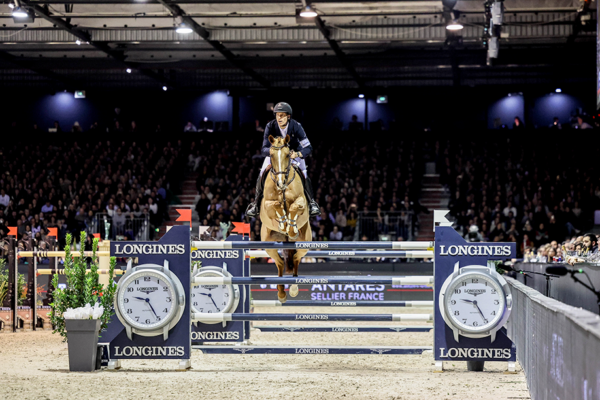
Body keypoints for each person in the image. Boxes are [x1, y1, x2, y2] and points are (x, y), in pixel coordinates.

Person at [245, 102, 320, 217]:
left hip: (293, 154)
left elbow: (308, 147)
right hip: (275, 155)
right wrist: (270, 151)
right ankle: (255, 204)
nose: (279, 118)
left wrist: (298, 154)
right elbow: (263, 148)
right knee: (262, 173)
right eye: (277, 115)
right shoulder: (270, 126)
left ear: (288, 116)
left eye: (282, 115)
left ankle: (312, 202)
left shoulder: (296, 126)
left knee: (304, 174)